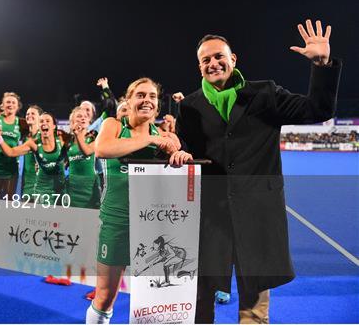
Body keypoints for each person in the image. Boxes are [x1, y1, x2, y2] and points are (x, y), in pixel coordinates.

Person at [173, 19, 342, 323]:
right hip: (210, 219)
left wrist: (322, 64)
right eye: (206, 60)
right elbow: (185, 150)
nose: (213, 63)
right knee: (200, 299)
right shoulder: (189, 108)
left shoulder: (265, 93)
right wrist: (177, 151)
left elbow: (318, 109)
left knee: (254, 308)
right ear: (199, 67)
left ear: (233, 59)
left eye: (219, 56)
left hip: (258, 214)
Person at [86, 77, 192, 324]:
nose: (147, 100)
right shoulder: (114, 125)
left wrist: (181, 156)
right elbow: (102, 149)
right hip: (116, 222)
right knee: (104, 296)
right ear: (128, 100)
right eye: (140, 95)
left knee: (154, 295)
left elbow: (179, 169)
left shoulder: (167, 137)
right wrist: (148, 139)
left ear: (158, 105)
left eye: (152, 96)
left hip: (154, 227)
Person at [0, 112, 66, 201]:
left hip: (62, 191)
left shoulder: (62, 140)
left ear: (54, 126)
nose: (44, 123)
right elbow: (11, 152)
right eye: (41, 121)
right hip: (42, 192)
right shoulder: (33, 143)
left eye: (47, 121)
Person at [65, 106, 100, 209]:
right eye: (79, 116)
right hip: (72, 186)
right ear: (72, 123)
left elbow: (87, 151)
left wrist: (79, 134)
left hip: (90, 187)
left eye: (85, 116)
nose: (83, 118)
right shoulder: (67, 142)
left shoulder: (95, 138)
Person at [21, 105, 43, 197]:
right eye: (27, 114)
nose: (29, 115)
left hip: (40, 185)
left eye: (33, 113)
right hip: (25, 185)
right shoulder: (23, 138)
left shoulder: (44, 137)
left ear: (40, 118)